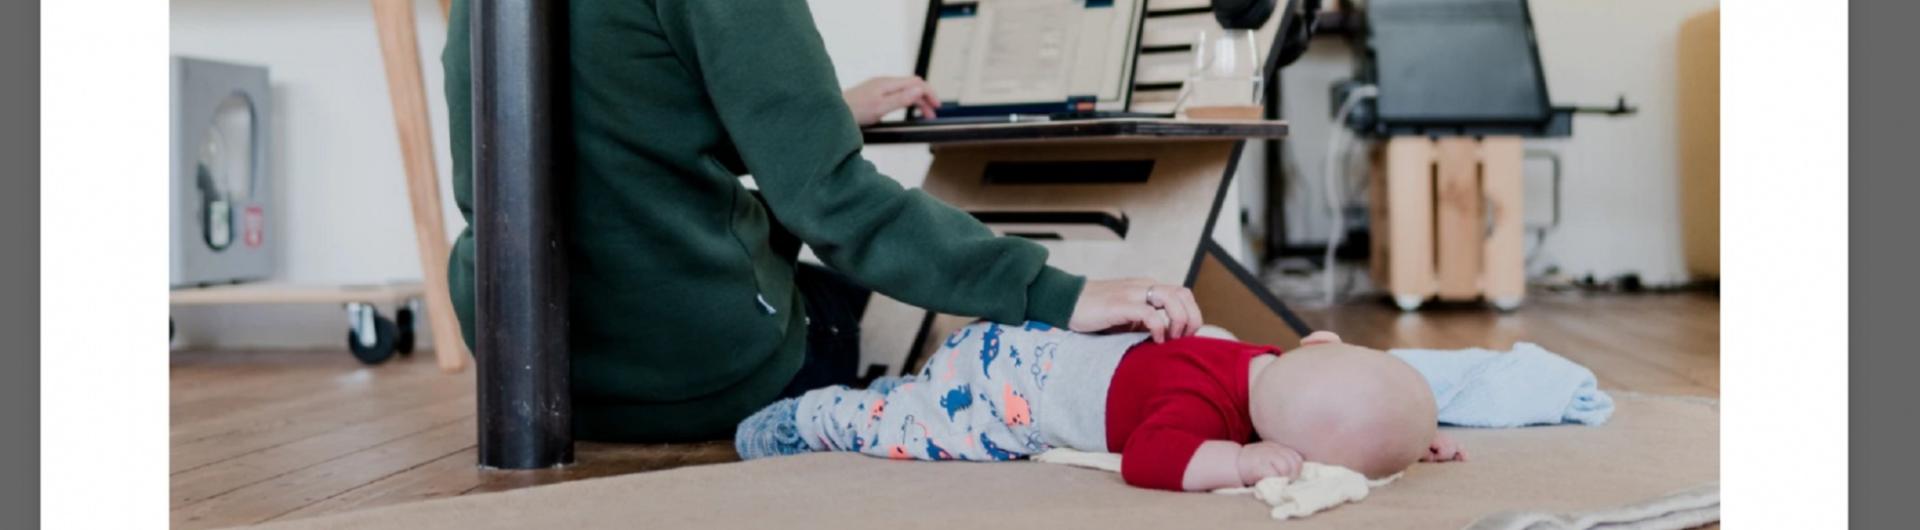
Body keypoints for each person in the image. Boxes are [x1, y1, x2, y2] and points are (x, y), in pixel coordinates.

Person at [440, 0, 1203, 442]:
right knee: (888, 320)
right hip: (690, 374)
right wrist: (1060, 292)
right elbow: (835, 204)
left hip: (527, 368)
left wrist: (823, 111)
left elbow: (622, 138)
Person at [736, 326, 1467, 491]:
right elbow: (1149, 462)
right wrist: (1239, 462)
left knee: (920, 393)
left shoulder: (1264, 356)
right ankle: (812, 417)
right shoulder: (1197, 410)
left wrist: (1415, 436)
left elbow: (1344, 395)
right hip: (1002, 398)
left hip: (1016, 347)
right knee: (914, 434)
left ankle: (903, 390)